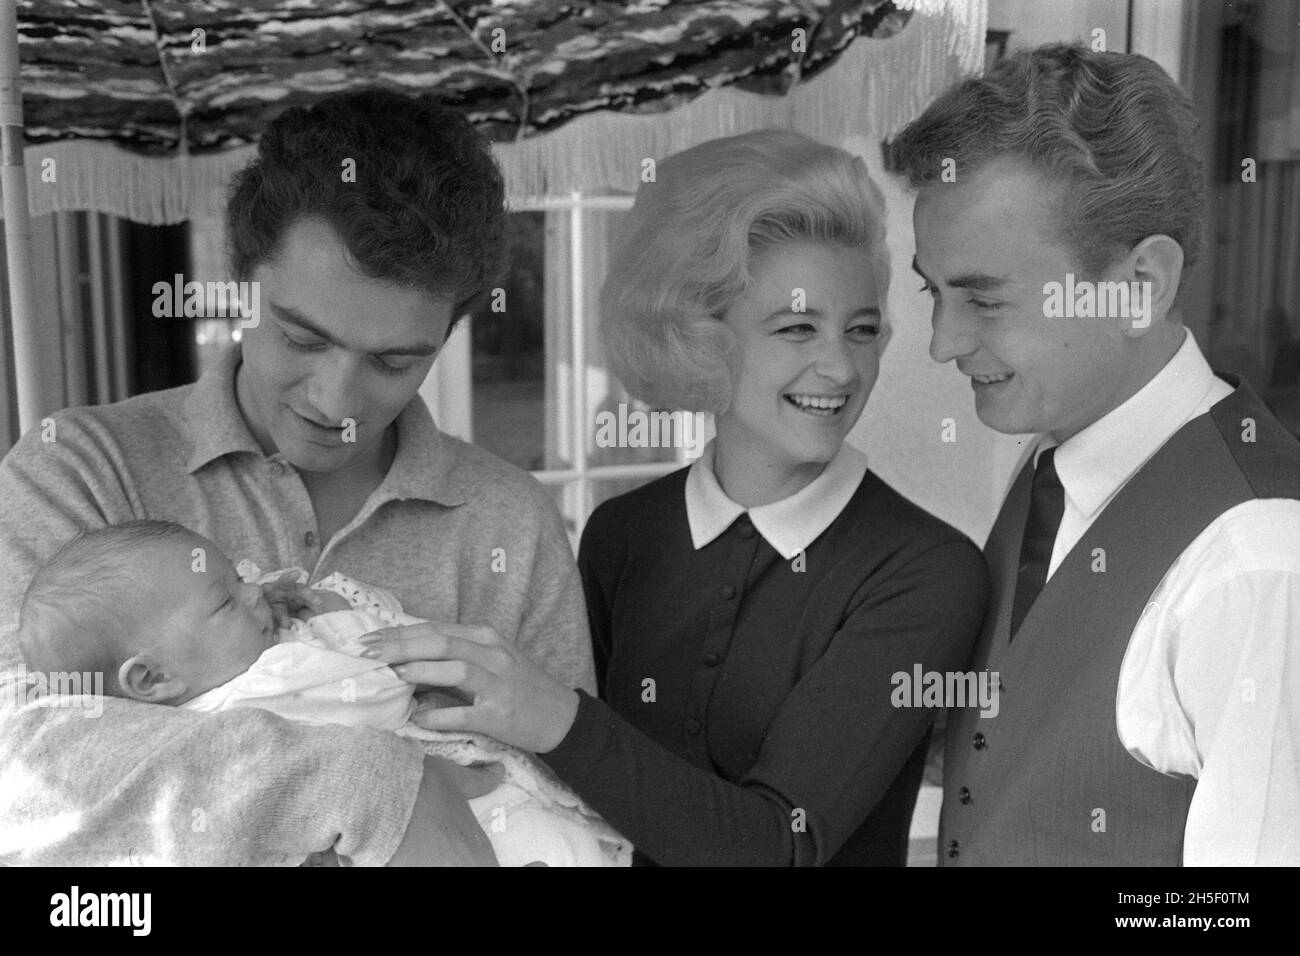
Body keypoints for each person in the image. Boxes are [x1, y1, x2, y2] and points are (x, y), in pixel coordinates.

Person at [361, 129, 990, 865]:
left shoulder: (925, 572)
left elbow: (775, 846)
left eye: (861, 330)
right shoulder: (624, 534)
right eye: (796, 328)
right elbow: (564, 801)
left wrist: (554, 717)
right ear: (699, 336)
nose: (840, 367)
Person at [0, 89, 595, 866]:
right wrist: (380, 785)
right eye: (301, 338)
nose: (334, 401)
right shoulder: (78, 470)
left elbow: (569, 801)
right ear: (240, 279)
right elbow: (26, 777)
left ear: (451, 332)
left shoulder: (509, 525)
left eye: (393, 361)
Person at [888, 43, 1300, 865]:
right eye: (935, 292)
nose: (942, 342)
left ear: (1140, 284)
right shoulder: (1055, 458)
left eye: (985, 298)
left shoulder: (1258, 563)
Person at [15, 520, 629, 867]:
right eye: (227, 599)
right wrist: (332, 614)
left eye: (241, 577)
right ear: (151, 680)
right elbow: (378, 682)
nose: (258, 592)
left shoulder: (235, 679)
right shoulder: (261, 692)